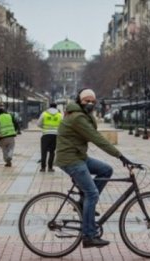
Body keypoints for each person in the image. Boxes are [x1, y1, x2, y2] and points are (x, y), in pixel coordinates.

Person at [54, 88, 134, 248]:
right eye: (86, 101)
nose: (90, 104)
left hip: (79, 156)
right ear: (79, 100)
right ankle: (89, 235)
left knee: (106, 170)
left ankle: (84, 203)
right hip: (71, 159)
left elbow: (93, 130)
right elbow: (96, 137)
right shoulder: (77, 117)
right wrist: (120, 155)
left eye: (92, 101)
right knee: (92, 193)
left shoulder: (81, 114)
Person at [37, 102, 62, 172]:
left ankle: (43, 167)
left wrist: (44, 127)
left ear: (49, 107)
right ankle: (50, 167)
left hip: (45, 135)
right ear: (56, 107)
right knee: (52, 152)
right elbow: (63, 125)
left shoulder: (44, 114)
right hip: (55, 136)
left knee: (43, 151)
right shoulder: (59, 115)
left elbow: (38, 124)